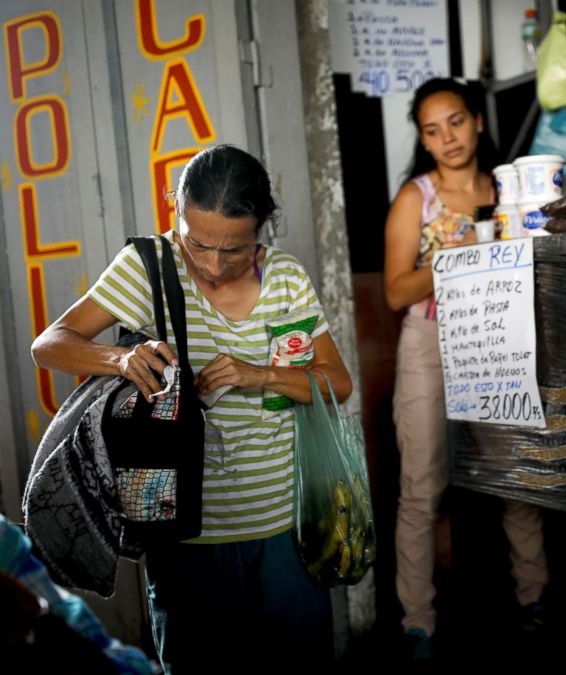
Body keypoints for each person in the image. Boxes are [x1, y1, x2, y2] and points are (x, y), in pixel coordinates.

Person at [31, 144, 352, 673]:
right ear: (175, 212)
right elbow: (50, 343)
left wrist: (263, 374)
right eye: (198, 243)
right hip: (186, 532)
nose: (213, 264)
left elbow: (336, 384)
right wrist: (119, 356)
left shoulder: (288, 278)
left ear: (261, 228)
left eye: (235, 249)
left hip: (284, 526)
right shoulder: (147, 268)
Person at [384, 78, 549, 661]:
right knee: (421, 487)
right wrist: (453, 260)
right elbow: (396, 292)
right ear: (424, 141)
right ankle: (417, 624)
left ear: (477, 120)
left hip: (496, 339)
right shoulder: (416, 198)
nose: (447, 137)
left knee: (516, 477)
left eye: (455, 121)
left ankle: (534, 600)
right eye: (432, 130)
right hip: (429, 340)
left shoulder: (506, 190)